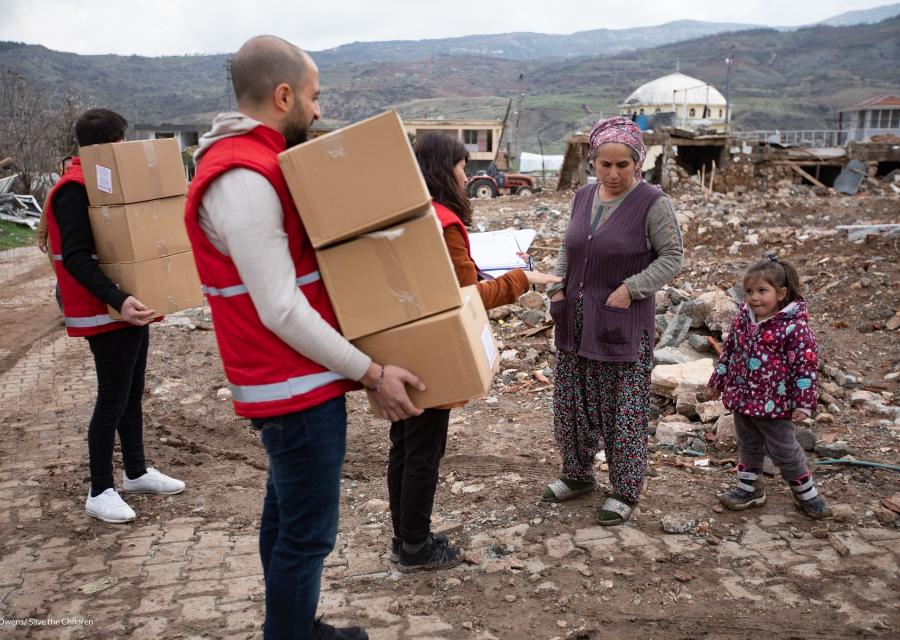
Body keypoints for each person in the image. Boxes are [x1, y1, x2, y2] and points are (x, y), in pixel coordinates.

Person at [183, 36, 423, 640]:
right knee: (307, 534)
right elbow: (281, 308)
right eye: (313, 98)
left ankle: (295, 627)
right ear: (283, 94)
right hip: (291, 386)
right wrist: (371, 372)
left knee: (286, 518)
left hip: (295, 382)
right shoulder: (243, 176)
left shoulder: (259, 162)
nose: (317, 111)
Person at [385, 131, 560, 572]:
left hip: (400, 342)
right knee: (424, 450)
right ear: (446, 170)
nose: (467, 176)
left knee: (404, 446)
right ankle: (415, 547)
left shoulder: (408, 215)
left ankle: (404, 535)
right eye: (463, 168)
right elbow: (468, 297)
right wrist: (523, 280)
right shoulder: (444, 223)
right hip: (435, 349)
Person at [43, 110, 184, 524]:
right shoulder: (73, 189)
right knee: (111, 399)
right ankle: (100, 488)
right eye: (121, 142)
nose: (124, 150)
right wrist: (117, 299)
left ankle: (136, 472)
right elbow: (75, 257)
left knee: (131, 392)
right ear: (106, 145)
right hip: (102, 310)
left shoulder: (102, 183)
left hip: (126, 308)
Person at [542, 116, 683, 526]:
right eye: (606, 164)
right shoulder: (583, 196)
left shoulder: (653, 202)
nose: (615, 173)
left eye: (624, 165)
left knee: (622, 409)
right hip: (576, 321)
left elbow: (672, 257)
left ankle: (624, 490)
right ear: (594, 162)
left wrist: (632, 288)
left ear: (638, 162)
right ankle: (578, 475)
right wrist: (556, 285)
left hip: (622, 322)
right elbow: (569, 246)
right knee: (572, 405)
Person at [708, 255, 831, 519]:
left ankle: (805, 493)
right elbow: (730, 351)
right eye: (749, 291)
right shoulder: (744, 320)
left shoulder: (794, 328)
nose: (754, 298)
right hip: (743, 399)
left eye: (762, 291)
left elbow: (805, 367)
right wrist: (718, 379)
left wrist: (804, 403)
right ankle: (749, 488)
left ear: (781, 293)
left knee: (784, 450)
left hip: (776, 403)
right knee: (748, 444)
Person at [37, 156, 74, 310]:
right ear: (61, 171)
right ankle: (66, 309)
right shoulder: (55, 192)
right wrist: (41, 238)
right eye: (67, 168)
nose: (70, 171)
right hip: (58, 243)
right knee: (63, 275)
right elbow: (45, 215)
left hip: (76, 240)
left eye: (73, 168)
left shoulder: (82, 187)